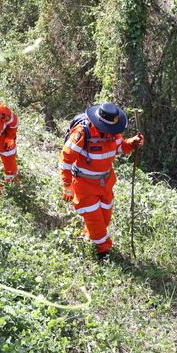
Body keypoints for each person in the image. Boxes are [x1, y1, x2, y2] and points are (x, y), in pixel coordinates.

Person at [59, 102, 144, 259]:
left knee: (104, 219)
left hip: (106, 184)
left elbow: (119, 148)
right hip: (85, 186)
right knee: (97, 224)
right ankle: (103, 252)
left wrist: (131, 143)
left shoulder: (113, 132)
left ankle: (88, 237)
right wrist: (66, 184)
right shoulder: (83, 132)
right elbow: (66, 160)